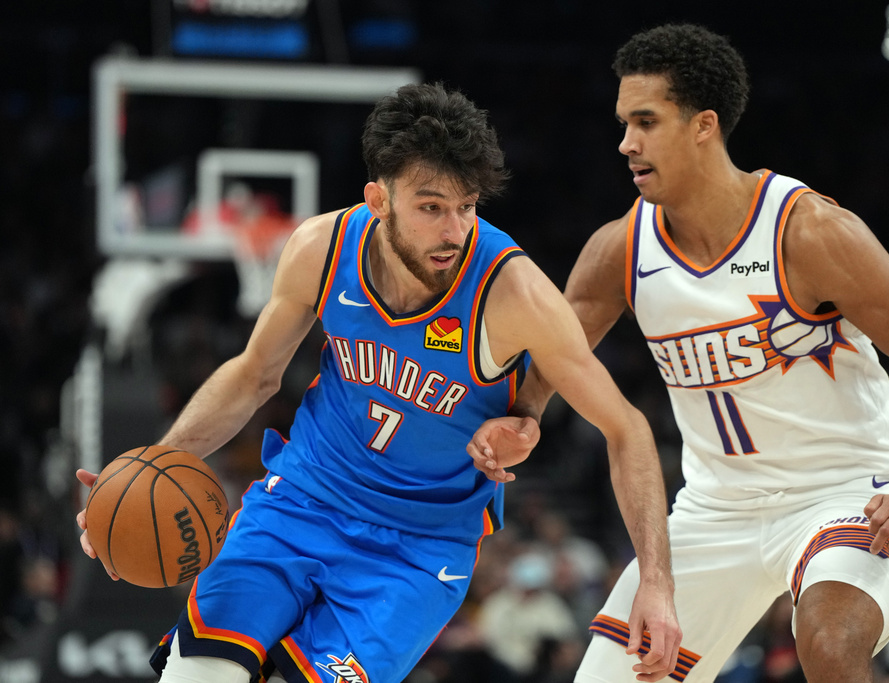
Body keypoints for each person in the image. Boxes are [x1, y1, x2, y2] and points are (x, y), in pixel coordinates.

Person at [74, 83, 681, 683]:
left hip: (415, 552)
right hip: (301, 500)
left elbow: (626, 428)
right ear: (378, 198)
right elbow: (253, 375)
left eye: (467, 206)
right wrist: (149, 466)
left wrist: (655, 582)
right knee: (196, 676)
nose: (454, 230)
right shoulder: (321, 247)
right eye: (431, 206)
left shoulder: (513, 294)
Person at [469, 23, 889, 683]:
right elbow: (551, 355)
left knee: (829, 646)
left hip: (841, 495)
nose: (626, 143)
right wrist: (527, 414)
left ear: (703, 125)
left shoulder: (809, 234)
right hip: (714, 509)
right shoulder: (620, 250)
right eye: (623, 123)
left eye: (646, 121)